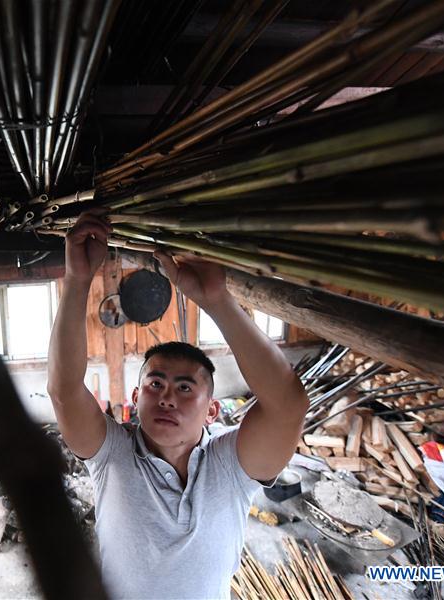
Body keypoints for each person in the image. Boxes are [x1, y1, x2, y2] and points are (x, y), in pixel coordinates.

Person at [47, 211, 309, 599]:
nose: (167, 396)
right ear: (136, 400)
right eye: (155, 383)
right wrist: (78, 279)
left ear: (212, 411)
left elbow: (288, 406)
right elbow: (65, 390)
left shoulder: (231, 466)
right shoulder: (113, 455)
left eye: (185, 388)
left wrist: (217, 301)